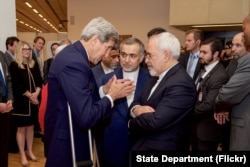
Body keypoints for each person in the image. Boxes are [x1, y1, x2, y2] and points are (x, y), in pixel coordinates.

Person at [44, 17, 135, 167]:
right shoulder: (75, 62)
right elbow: (86, 116)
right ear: (94, 40)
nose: (106, 54)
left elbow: (79, 95)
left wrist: (103, 90)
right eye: (107, 47)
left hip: (67, 136)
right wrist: (111, 96)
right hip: (67, 143)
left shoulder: (74, 56)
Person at [128, 32, 196, 151]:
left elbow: (155, 121)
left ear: (166, 55)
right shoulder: (155, 76)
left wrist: (130, 123)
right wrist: (137, 109)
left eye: (150, 55)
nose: (146, 60)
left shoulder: (181, 84)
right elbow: (137, 102)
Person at [99, 37, 150, 167]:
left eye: (132, 56)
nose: (127, 60)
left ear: (142, 57)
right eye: (124, 55)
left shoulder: (152, 79)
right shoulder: (106, 79)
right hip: (113, 143)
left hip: (142, 142)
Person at [190, 38, 229, 151]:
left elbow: (209, 104)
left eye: (204, 52)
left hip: (207, 131)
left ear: (216, 54)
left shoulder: (220, 75)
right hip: (195, 128)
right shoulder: (203, 69)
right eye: (200, 52)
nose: (200, 55)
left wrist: (186, 112)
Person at [9, 41, 43, 167]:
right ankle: (22, 154)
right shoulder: (14, 65)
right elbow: (17, 85)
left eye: (28, 49)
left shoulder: (33, 64)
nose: (27, 51)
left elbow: (39, 80)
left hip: (34, 102)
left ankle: (30, 152)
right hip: (22, 103)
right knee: (21, 128)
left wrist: (37, 93)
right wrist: (31, 95)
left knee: (31, 127)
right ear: (19, 51)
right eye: (24, 49)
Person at [214, 32, 250, 150]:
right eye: (232, 45)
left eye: (238, 45)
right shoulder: (234, 61)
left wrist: (221, 105)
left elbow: (227, 93)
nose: (233, 49)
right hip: (231, 119)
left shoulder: (247, 63)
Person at [2, 36, 20, 153]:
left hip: (10, 94)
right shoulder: (6, 57)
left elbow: (9, 78)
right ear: (9, 46)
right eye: (15, 45)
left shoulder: (8, 57)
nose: (17, 48)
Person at [0, 51, 14, 167]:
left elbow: (8, 78)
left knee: (4, 143)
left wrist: (10, 98)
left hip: (6, 104)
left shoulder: (1, 55)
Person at [32, 36, 45, 138]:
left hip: (39, 84)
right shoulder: (32, 54)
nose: (41, 45)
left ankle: (37, 128)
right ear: (34, 43)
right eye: (39, 43)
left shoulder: (39, 55)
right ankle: (35, 129)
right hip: (35, 85)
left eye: (42, 44)